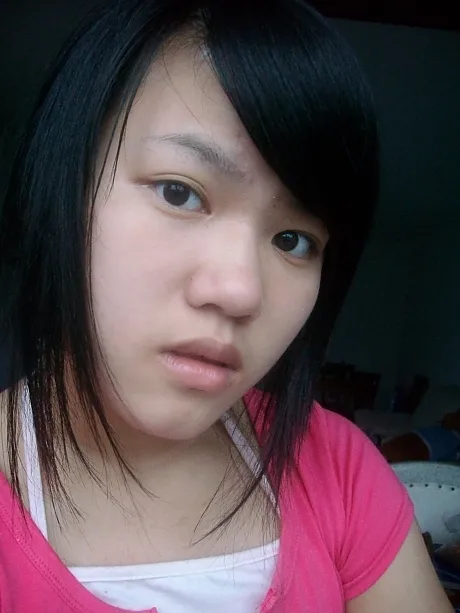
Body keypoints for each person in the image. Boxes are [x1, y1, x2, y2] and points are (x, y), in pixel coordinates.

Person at [0, 1, 452, 611]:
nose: (240, 292)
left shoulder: (340, 468)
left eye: (294, 241)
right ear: (63, 187)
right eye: (179, 193)